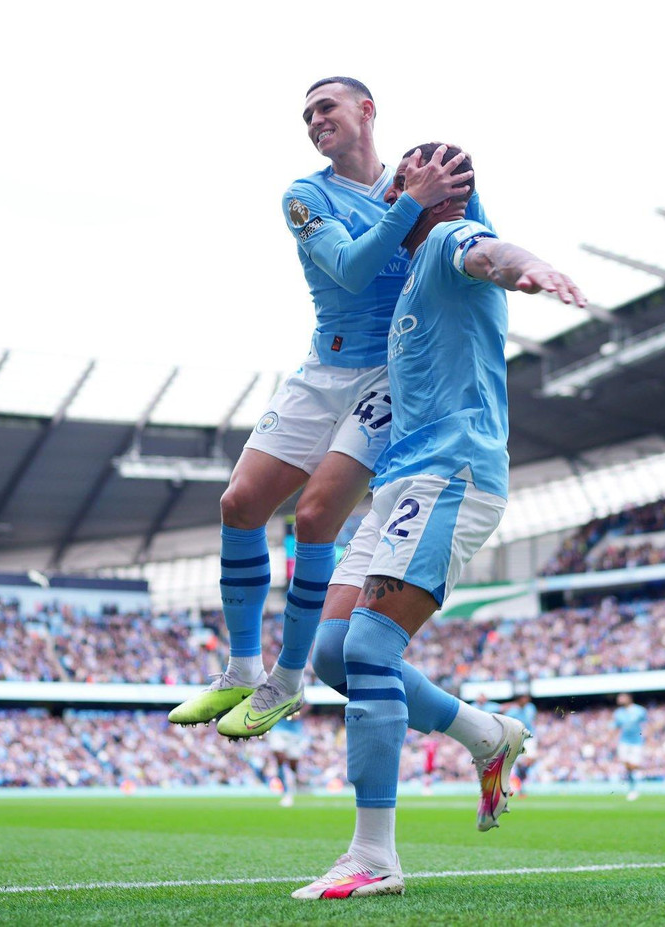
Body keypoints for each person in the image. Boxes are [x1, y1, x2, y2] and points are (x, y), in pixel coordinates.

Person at [291, 142, 586, 900]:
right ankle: (483, 732)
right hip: (399, 485)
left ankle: (374, 856)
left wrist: (530, 269)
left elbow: (488, 252)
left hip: (449, 473)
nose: (393, 189)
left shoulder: (451, 239)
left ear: (434, 191)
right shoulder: (413, 275)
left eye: (404, 182)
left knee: (368, 644)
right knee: (331, 652)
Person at [169, 77, 479, 735]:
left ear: (367, 110)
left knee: (315, 516)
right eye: (306, 115)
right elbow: (349, 267)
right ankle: (242, 669)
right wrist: (410, 205)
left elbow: (466, 239)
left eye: (325, 108)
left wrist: (449, 212)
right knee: (239, 503)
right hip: (322, 368)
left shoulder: (416, 178)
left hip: (390, 375)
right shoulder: (306, 195)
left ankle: (286, 679)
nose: (314, 122)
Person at [268, 709, 308, 807]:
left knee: (293, 765)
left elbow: (305, 707)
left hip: (294, 733)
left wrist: (297, 712)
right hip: (277, 729)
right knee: (279, 755)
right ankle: (286, 790)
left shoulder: (299, 695)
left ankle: (292, 786)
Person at [612, 693, 647, 801]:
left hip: (637, 742)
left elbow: (648, 724)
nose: (619, 699)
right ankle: (639, 776)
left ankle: (634, 788)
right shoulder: (618, 713)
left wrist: (648, 737)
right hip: (624, 742)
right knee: (627, 764)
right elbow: (615, 727)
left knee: (632, 766)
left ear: (629, 698)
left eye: (622, 697)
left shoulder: (639, 710)